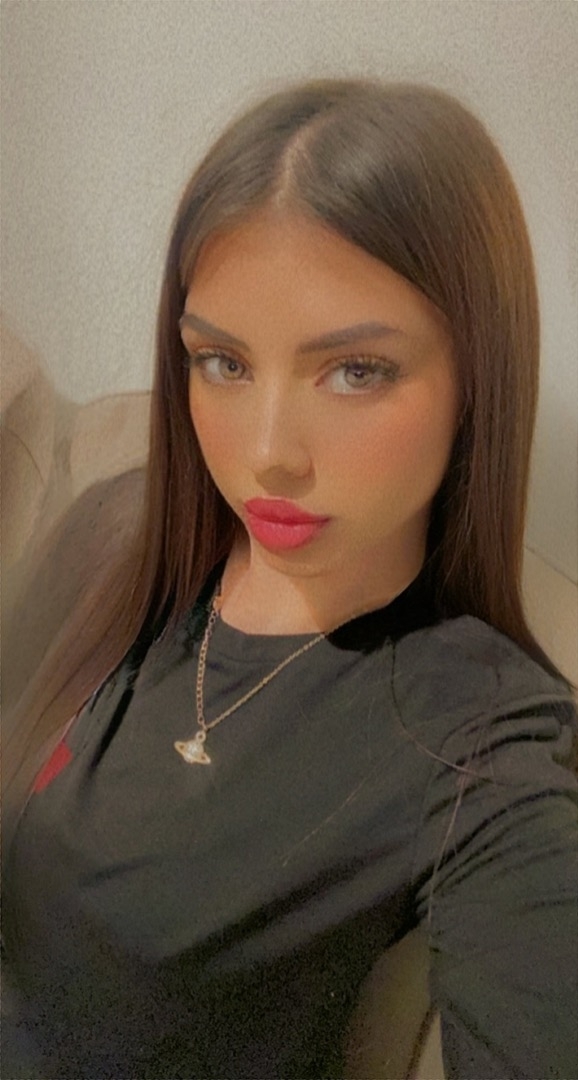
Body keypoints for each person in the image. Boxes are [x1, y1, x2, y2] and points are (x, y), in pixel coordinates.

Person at [2, 77, 577, 1080]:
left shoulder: (484, 737)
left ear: (475, 378)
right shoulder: (118, 532)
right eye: (222, 362)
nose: (267, 453)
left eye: (355, 371)